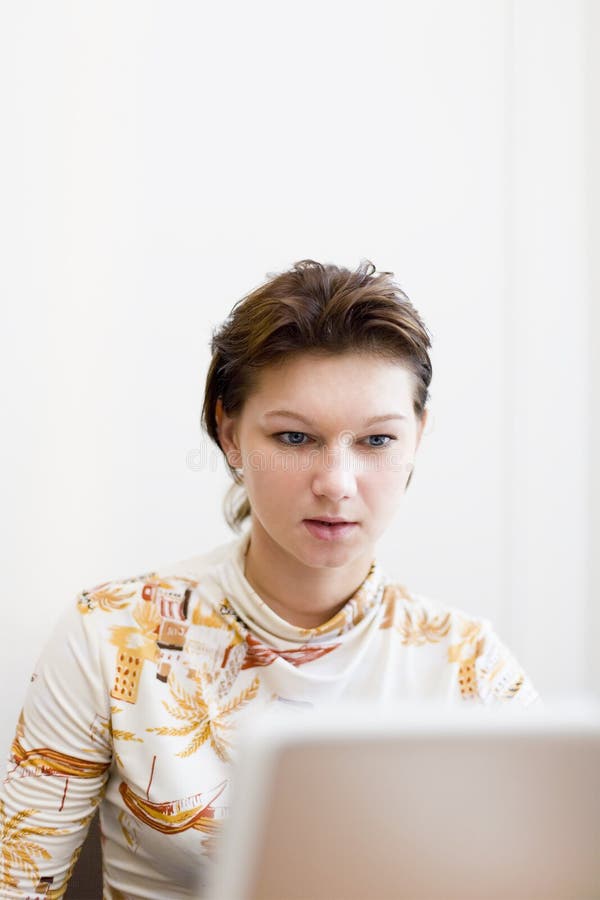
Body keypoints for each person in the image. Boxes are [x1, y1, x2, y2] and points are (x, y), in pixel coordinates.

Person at [0, 259, 540, 898]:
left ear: (417, 437)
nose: (337, 483)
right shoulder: (114, 632)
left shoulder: (468, 665)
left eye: (376, 441)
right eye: (293, 436)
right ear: (230, 434)